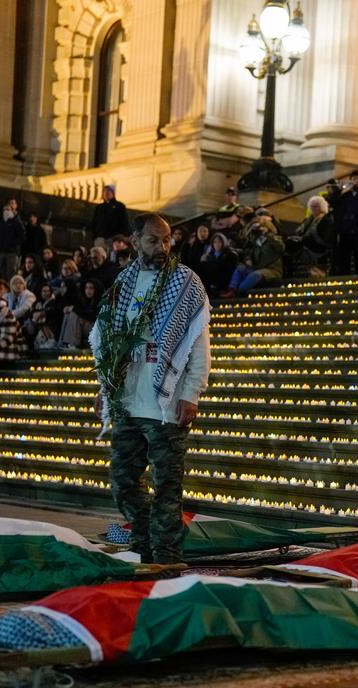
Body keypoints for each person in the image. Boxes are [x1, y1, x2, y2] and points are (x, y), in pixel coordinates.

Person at [90, 213, 211, 565]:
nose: (163, 247)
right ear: (135, 242)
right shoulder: (123, 283)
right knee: (123, 483)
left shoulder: (186, 283)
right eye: (154, 240)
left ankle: (167, 559)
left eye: (167, 239)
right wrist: (104, 387)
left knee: (167, 491)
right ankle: (143, 545)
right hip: (128, 399)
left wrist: (191, 393)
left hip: (165, 404)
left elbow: (198, 344)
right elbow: (108, 343)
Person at [328, 170, 358, 275]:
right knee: (344, 258)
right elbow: (334, 203)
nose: (355, 181)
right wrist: (340, 191)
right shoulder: (345, 194)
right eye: (353, 178)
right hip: (345, 231)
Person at [221, 222, 284, 298]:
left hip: (272, 269)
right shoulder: (256, 241)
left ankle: (238, 291)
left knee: (255, 275)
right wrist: (248, 259)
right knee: (240, 268)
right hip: (257, 267)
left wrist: (267, 235)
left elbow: (281, 247)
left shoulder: (275, 239)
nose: (260, 230)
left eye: (262, 227)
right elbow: (247, 251)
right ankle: (231, 289)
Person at [290, 196, 334, 278]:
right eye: (312, 206)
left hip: (319, 246)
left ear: (321, 206)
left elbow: (326, 236)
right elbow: (299, 231)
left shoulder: (326, 219)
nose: (314, 209)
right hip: (307, 244)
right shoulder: (309, 219)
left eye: (316, 206)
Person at [59, 277, 102, 349]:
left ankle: (73, 344)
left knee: (74, 313)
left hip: (96, 329)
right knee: (68, 313)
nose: (88, 290)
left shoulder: (100, 300)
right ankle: (62, 343)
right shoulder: (85, 299)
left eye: (91, 288)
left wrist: (74, 309)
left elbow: (94, 317)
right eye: (86, 288)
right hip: (87, 327)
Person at [0, 197, 25, 278]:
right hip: (1, 251)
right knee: (1, 273)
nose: (6, 211)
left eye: (8, 209)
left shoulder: (16, 220)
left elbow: (22, 235)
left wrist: (12, 244)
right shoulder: (2, 221)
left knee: (11, 274)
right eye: (5, 210)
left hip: (12, 252)